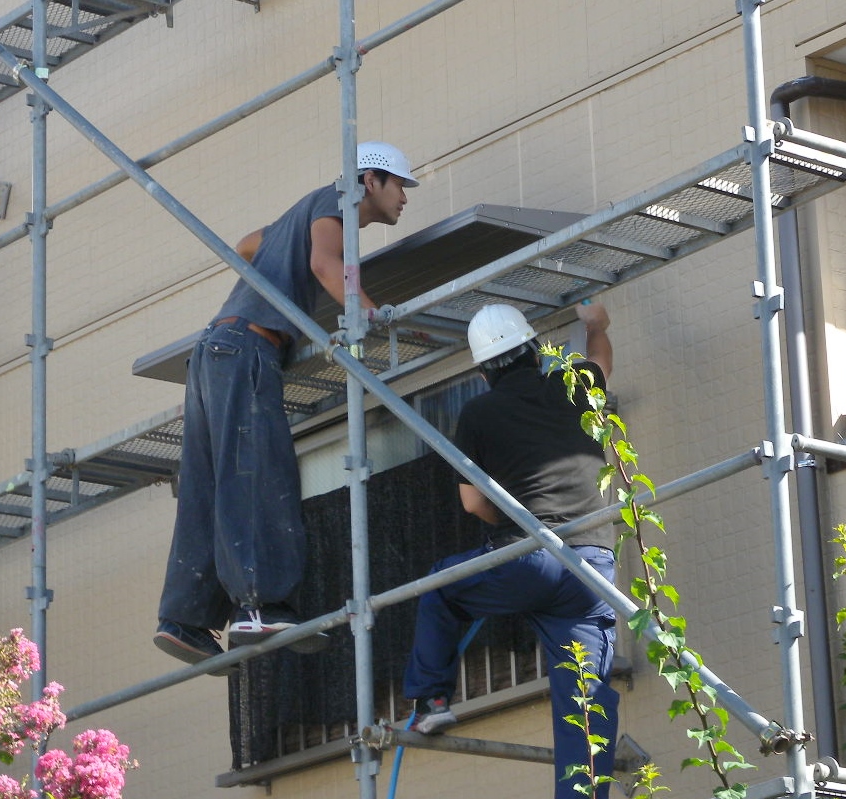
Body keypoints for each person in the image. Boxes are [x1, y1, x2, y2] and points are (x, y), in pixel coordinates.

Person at [154, 142, 419, 670]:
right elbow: (326, 264)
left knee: (210, 485)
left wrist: (284, 250)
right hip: (248, 349)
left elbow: (247, 244)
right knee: (258, 472)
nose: (405, 199)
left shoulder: (307, 212)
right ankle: (260, 607)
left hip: (214, 352)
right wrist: (372, 315)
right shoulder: (334, 201)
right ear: (370, 181)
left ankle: (186, 618)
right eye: (400, 186)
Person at [403, 301, 619, 799]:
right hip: (592, 567)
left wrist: (515, 524)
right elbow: (602, 362)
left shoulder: (478, 413)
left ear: (483, 370)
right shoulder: (576, 382)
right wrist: (597, 327)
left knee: (440, 588)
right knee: (584, 702)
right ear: (534, 351)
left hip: (530, 555)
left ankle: (432, 702)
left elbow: (473, 501)